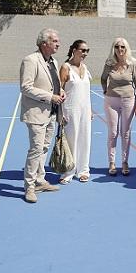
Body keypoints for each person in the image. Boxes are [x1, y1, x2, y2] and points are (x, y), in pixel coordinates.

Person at [19, 28, 64, 203]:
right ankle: (29, 187)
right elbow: (26, 87)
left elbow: (54, 84)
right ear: (44, 43)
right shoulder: (31, 60)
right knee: (35, 149)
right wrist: (50, 97)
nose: (58, 44)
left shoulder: (53, 61)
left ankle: (39, 180)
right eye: (55, 41)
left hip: (51, 112)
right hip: (37, 113)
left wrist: (60, 94)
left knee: (44, 148)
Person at [101, 37, 136, 176]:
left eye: (122, 47)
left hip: (128, 101)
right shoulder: (109, 63)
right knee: (113, 133)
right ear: (114, 49)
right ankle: (111, 162)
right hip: (111, 101)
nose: (120, 49)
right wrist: (105, 91)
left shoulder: (133, 63)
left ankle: (124, 162)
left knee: (126, 133)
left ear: (126, 48)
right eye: (117, 47)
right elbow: (103, 78)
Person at [57, 39, 93, 184]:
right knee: (71, 141)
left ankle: (83, 170)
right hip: (70, 110)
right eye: (82, 50)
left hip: (85, 110)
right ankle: (68, 172)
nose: (85, 53)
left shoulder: (85, 67)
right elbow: (59, 89)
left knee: (85, 139)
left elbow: (86, 92)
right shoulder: (66, 67)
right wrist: (60, 113)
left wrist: (90, 110)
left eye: (87, 51)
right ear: (74, 50)